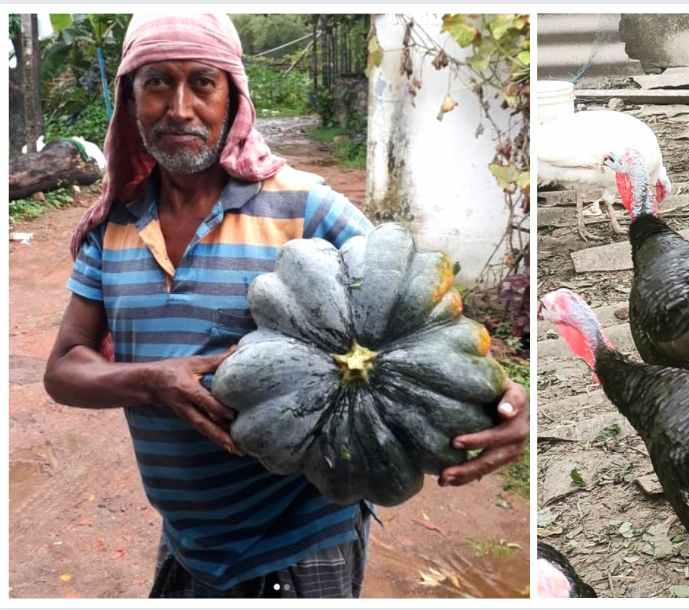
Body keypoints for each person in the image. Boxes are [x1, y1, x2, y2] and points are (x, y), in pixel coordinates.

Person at [43, 14, 528, 598]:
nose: (179, 108)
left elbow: (410, 314)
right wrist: (151, 382)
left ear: (233, 96)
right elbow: (65, 369)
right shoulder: (110, 227)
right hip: (188, 541)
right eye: (156, 83)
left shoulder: (305, 207)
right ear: (129, 97)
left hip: (299, 544)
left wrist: (506, 403)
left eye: (202, 82)